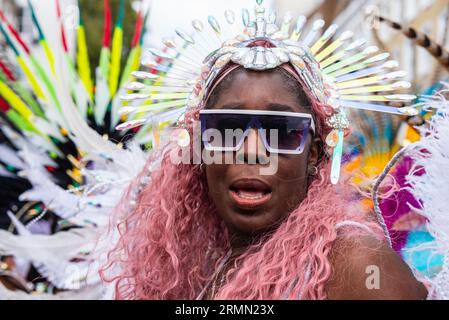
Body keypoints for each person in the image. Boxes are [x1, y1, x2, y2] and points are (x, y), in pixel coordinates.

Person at [101, 28, 427, 298]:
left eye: (282, 131)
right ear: (200, 150)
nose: (253, 151)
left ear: (312, 154)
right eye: (227, 129)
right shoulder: (196, 267)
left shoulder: (360, 267)